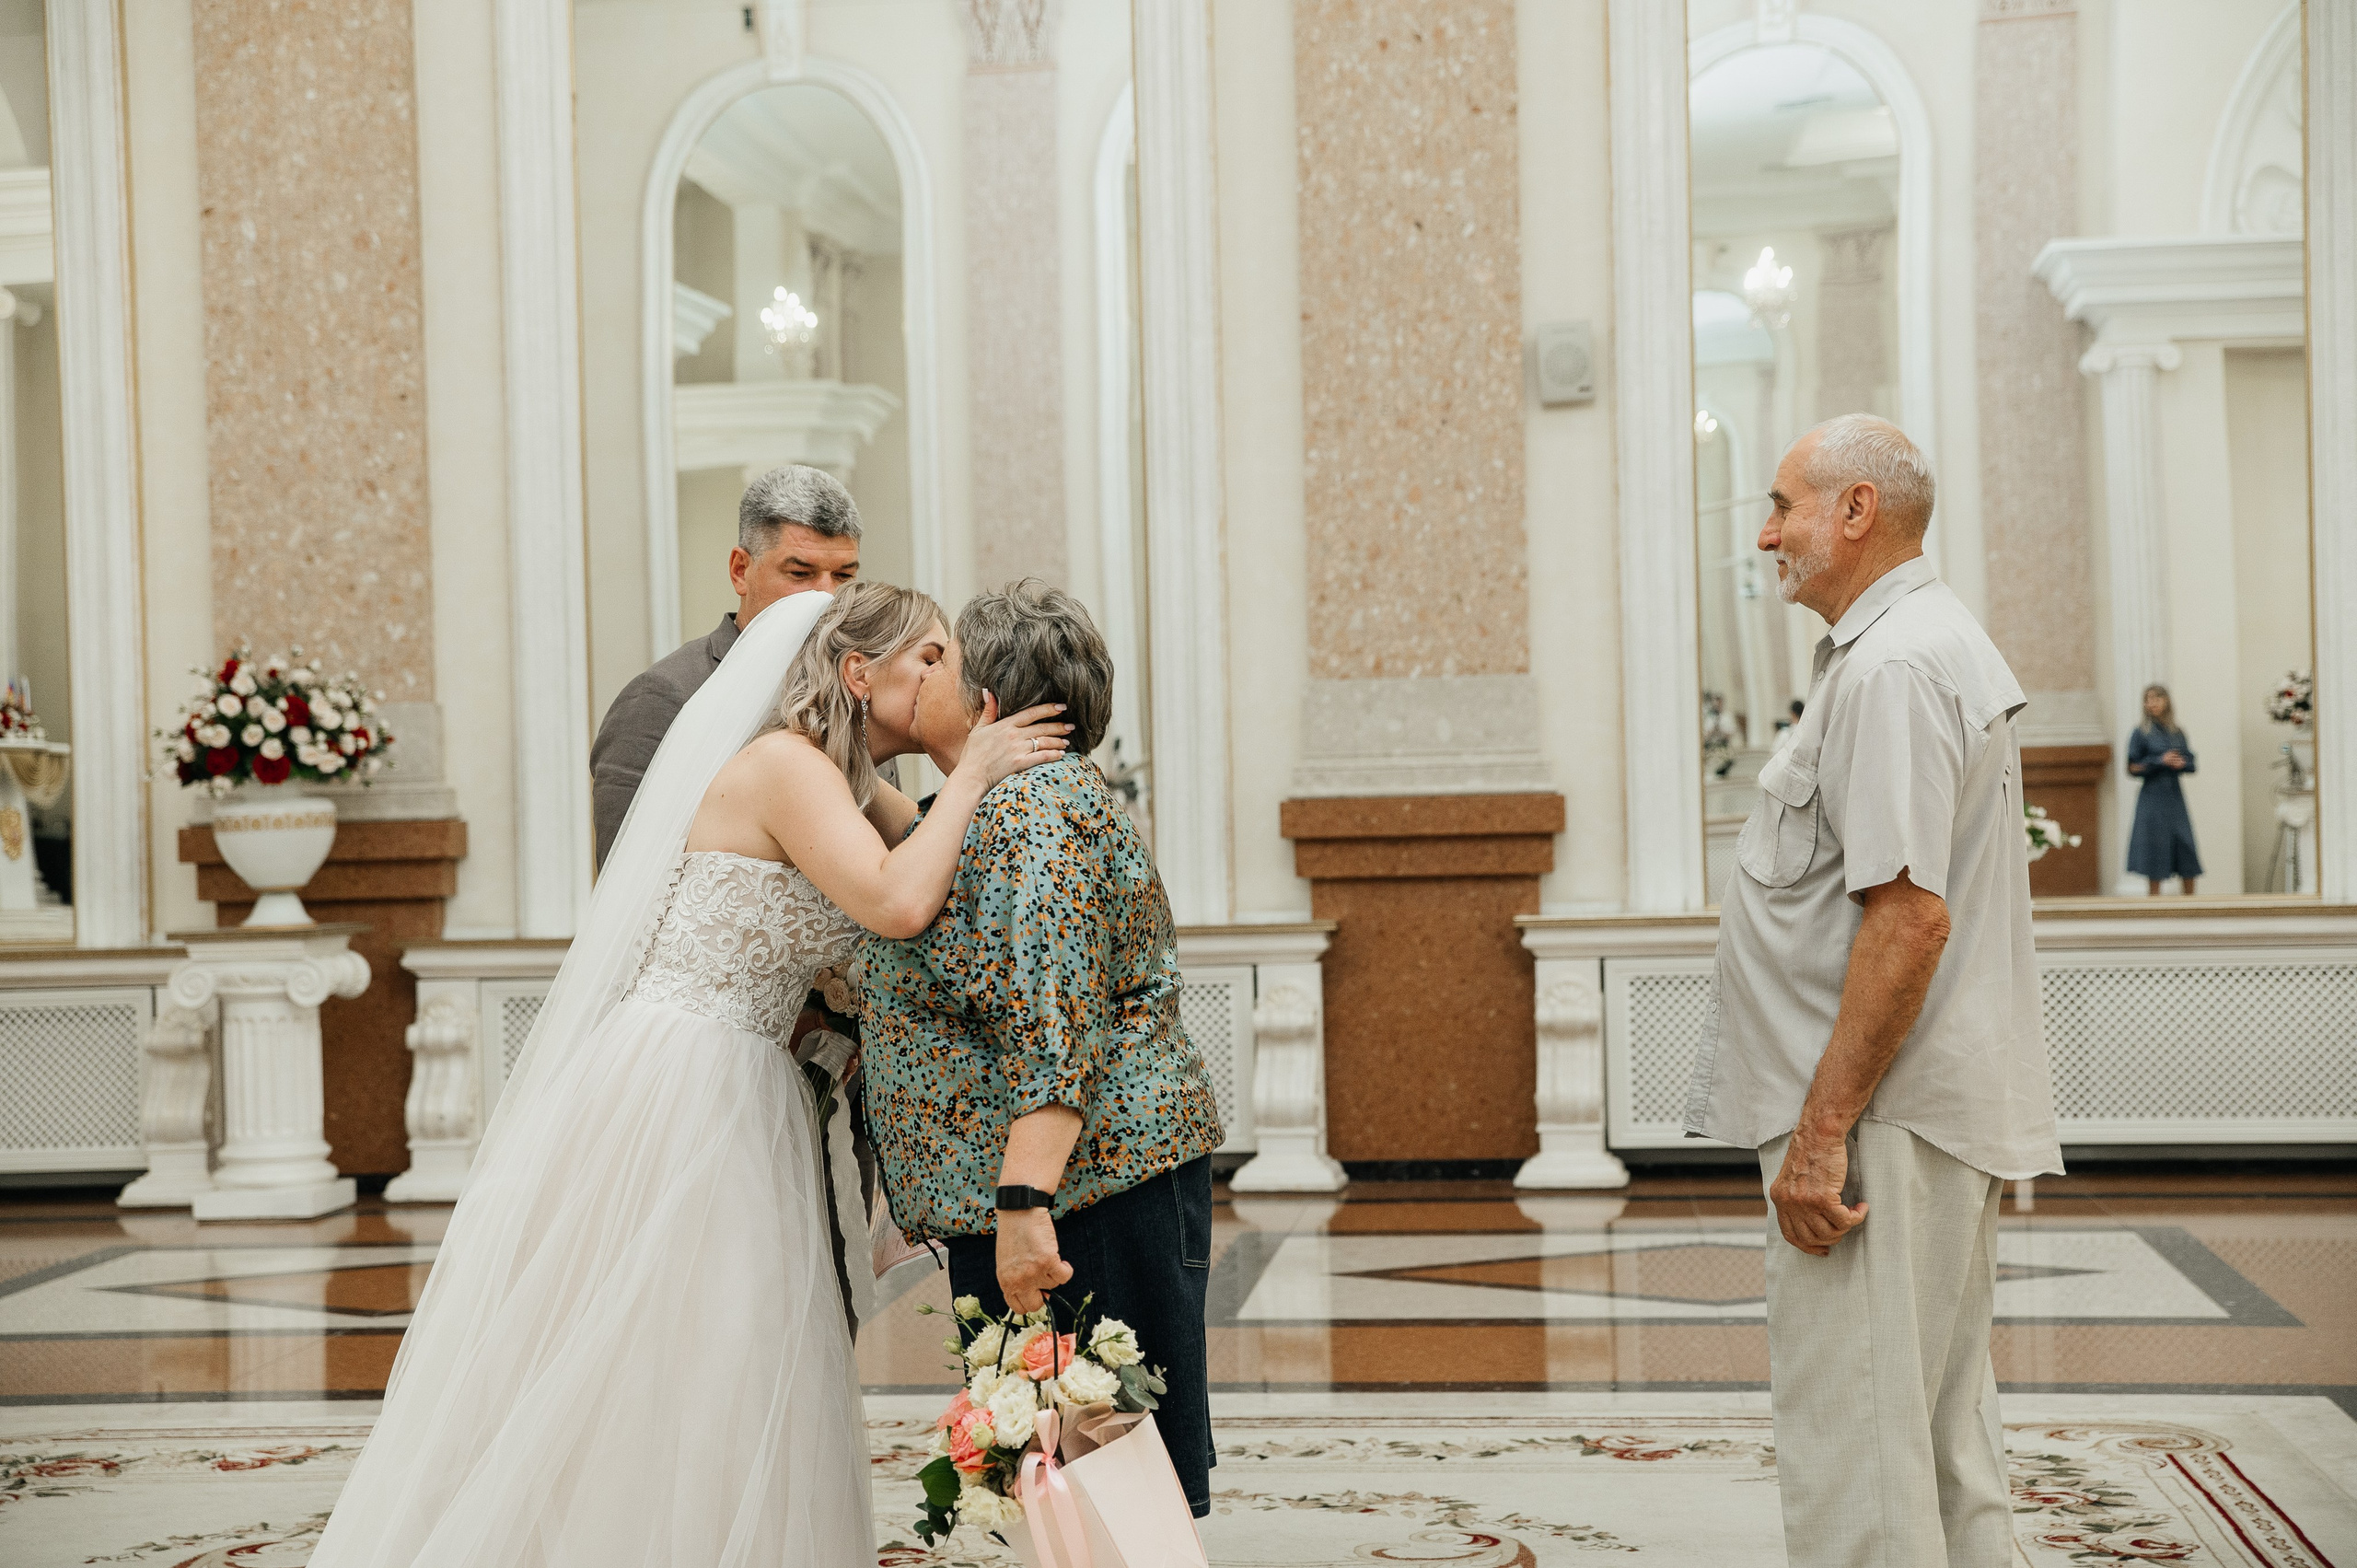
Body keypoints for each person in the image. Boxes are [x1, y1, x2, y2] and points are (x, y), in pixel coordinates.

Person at [308, 583, 1073, 1568]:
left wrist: (977, 771)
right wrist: (974, 774)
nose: (946, 674)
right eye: (925, 657)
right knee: (663, 1338)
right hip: (681, 1073)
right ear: (855, 673)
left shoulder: (847, 779)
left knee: (740, 1347)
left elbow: (937, 856)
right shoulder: (785, 766)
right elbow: (894, 899)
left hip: (749, 1079)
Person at [1683, 415, 2062, 1568]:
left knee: (1859, 1449)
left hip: (1876, 1128)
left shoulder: (1894, 665)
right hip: (1907, 1114)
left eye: (1783, 506)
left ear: (1855, 511)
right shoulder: (1905, 644)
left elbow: (1907, 920)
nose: (1764, 534)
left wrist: (1820, 1132)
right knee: (1945, 1444)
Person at [858, 580, 1226, 1519]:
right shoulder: (994, 805)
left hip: (1085, 1189)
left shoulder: (1037, 817)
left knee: (1121, 1477)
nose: (922, 670)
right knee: (1067, 1480)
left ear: (983, 704)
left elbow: (1053, 1031)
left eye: (939, 660)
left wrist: (1025, 1209)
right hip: (1068, 1186)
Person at [589, 464, 862, 869]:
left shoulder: (858, 688)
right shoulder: (663, 697)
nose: (827, 596)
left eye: (844, 576)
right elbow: (625, 880)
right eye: (800, 573)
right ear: (740, 570)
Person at [2126, 683, 2200, 895]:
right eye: (2148, 699)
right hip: (2152, 797)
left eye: (2157, 698)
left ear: (2166, 701)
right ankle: (2154, 904)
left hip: (2174, 797)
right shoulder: (2141, 733)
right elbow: (2132, 767)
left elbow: (2191, 763)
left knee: (2185, 847)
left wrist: (2181, 763)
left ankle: (2190, 905)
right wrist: (2160, 761)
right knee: (2154, 849)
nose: (2153, 703)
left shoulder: (2176, 733)